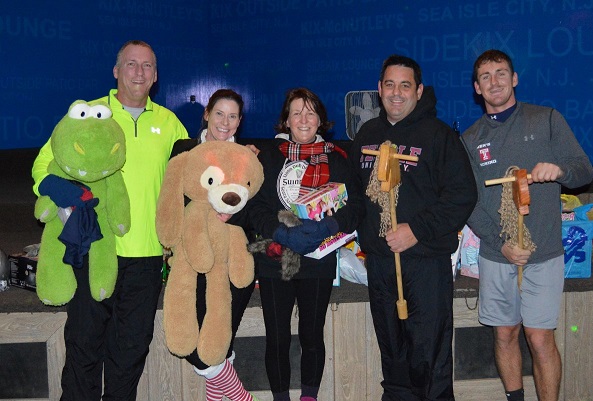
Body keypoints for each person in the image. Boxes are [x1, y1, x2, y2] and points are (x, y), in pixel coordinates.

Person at [31, 40, 189, 400]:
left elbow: (196, 171)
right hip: (94, 249)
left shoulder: (169, 123)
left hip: (148, 257)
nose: (139, 72)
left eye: (147, 66)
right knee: (84, 345)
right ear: (116, 71)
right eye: (131, 64)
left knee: (130, 352)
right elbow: (43, 165)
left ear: (155, 76)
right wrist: (59, 189)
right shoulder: (87, 114)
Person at [460, 49, 593, 401]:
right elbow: (467, 201)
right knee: (504, 334)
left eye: (501, 73)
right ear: (477, 87)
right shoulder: (471, 139)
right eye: (485, 77)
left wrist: (561, 170)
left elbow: (583, 171)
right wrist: (501, 243)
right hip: (497, 254)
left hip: (544, 253)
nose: (495, 82)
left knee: (539, 337)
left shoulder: (546, 119)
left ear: (514, 78)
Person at [349, 55, 477, 401]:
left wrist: (416, 229)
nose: (396, 93)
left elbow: (462, 195)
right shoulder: (367, 134)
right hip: (379, 266)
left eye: (405, 85)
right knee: (393, 358)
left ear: (418, 91)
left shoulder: (438, 137)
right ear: (379, 89)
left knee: (429, 360)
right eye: (389, 84)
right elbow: (353, 196)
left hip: (425, 265)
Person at [245, 87, 363, 401]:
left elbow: (357, 206)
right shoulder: (268, 157)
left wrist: (330, 225)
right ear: (285, 120)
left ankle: (309, 396)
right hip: (275, 259)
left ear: (321, 119)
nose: (303, 118)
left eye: (310, 112)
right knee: (278, 338)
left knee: (312, 336)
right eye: (296, 112)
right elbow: (254, 207)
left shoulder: (338, 157)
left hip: (318, 258)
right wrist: (282, 233)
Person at [169, 88, 259, 401]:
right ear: (206, 113)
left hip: (232, 260)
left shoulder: (246, 158)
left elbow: (255, 218)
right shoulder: (183, 148)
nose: (225, 121)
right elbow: (171, 199)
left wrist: (229, 215)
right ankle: (241, 397)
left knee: (220, 342)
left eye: (233, 116)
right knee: (195, 346)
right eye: (219, 113)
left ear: (239, 121)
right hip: (192, 260)